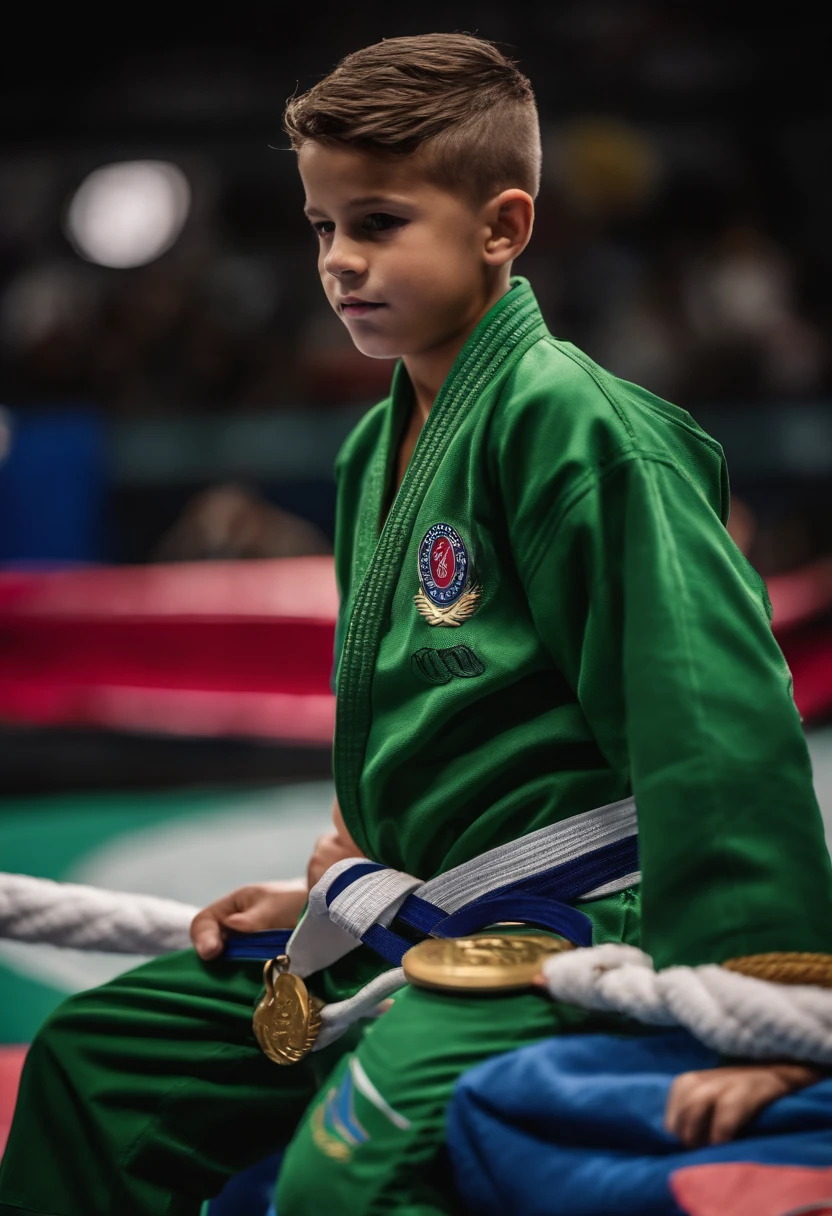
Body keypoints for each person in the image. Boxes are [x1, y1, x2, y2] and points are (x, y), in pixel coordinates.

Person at [2, 32, 832, 1216]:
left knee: (346, 1175)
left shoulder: (584, 433)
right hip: (426, 915)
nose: (339, 261)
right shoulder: (365, 449)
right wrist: (335, 897)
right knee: (97, 1070)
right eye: (321, 226)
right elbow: (456, 733)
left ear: (502, 226)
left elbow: (711, 724)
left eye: (379, 222)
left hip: (583, 928)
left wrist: (763, 1006)